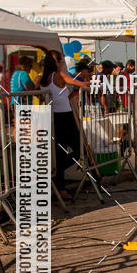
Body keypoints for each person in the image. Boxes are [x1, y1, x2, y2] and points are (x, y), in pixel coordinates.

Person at [40, 49, 90, 201]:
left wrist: (73, 94)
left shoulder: (42, 79)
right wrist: (89, 80)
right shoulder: (59, 75)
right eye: (60, 60)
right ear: (55, 62)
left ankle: (60, 185)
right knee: (77, 151)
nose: (62, 62)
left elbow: (55, 98)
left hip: (53, 116)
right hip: (64, 117)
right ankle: (58, 178)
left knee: (60, 152)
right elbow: (82, 84)